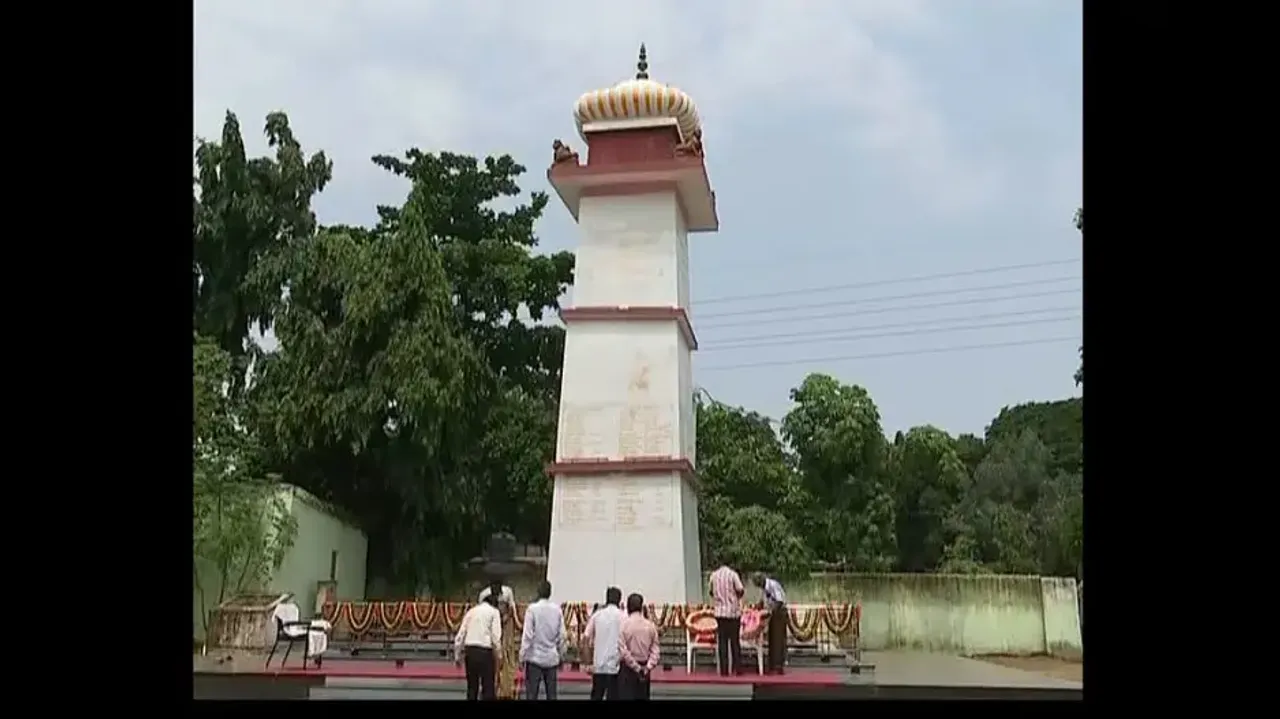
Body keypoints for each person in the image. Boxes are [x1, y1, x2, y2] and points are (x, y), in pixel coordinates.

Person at [520, 580, 566, 700]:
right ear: (550, 593)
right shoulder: (557, 610)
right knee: (551, 695)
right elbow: (562, 636)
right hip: (551, 657)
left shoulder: (532, 609)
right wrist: (561, 655)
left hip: (534, 657)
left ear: (538, 592)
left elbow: (527, 635)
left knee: (531, 694)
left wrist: (522, 656)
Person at [453, 589, 502, 700]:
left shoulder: (471, 611)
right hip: (485, 652)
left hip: (470, 651)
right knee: (488, 687)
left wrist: (457, 655)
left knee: (472, 687)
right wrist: (499, 655)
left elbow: (461, 634)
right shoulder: (494, 612)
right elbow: (495, 637)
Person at [582, 587, 624, 700]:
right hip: (616, 666)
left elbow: (585, 639)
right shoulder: (623, 616)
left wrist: (587, 663)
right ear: (619, 599)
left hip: (598, 665)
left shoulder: (597, 615)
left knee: (596, 695)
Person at [478, 580, 518, 699]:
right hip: (490, 623)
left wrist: (504, 619)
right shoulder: (483, 595)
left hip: (505, 622)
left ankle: (506, 688)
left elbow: (511, 608)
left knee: (506, 653)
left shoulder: (507, 591)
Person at [617, 592, 660, 700]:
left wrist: (636, 667)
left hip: (628, 669)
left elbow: (623, 650)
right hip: (645, 666)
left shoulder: (624, 625)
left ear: (628, 607)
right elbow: (655, 649)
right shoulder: (650, 626)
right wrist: (648, 667)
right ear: (641, 607)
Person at [708, 563, 745, 676]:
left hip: (720, 613)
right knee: (735, 642)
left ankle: (724, 670)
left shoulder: (713, 575)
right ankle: (737, 668)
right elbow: (740, 590)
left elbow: (710, 591)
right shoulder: (733, 575)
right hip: (733, 613)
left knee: (722, 643)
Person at [752, 572, 788, 674]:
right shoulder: (764, 588)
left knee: (778, 639)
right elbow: (763, 602)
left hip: (779, 613)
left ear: (762, 579)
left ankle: (778, 666)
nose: (758, 585)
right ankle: (772, 665)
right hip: (772, 615)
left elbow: (779, 601)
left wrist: (770, 611)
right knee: (772, 639)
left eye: (757, 582)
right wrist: (756, 607)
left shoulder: (773, 585)